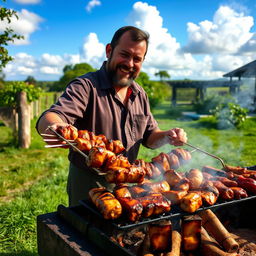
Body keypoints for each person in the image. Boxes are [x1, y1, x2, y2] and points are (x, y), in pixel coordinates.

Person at [36, 26, 187, 206]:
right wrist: (55, 127)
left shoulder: (140, 94)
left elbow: (150, 138)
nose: (130, 64)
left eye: (137, 59)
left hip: (129, 182)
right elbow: (54, 115)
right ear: (109, 51)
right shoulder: (86, 86)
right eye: (125, 54)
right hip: (90, 183)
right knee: (85, 233)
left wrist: (168, 136)